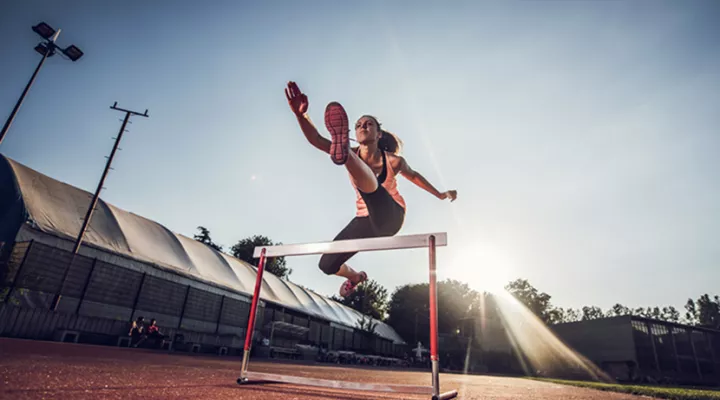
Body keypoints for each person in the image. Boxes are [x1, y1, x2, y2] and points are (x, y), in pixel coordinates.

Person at [285, 81, 457, 298]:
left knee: (372, 189)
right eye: (358, 125)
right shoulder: (354, 149)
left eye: (368, 124)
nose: (363, 126)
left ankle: (344, 155)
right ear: (355, 135)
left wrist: (440, 194)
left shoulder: (393, 161)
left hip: (391, 216)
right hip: (364, 221)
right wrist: (301, 115)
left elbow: (415, 176)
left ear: (378, 134)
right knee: (326, 264)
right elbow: (316, 139)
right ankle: (355, 277)